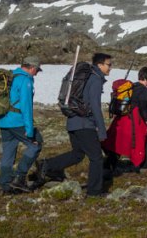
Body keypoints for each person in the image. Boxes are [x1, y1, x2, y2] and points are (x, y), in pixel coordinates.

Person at [37, 53, 109, 197]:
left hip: (72, 122)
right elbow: (95, 106)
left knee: (78, 154)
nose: (110, 68)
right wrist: (102, 130)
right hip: (85, 124)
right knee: (96, 158)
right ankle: (94, 192)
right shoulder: (95, 79)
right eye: (109, 64)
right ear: (100, 65)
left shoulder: (86, 77)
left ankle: (47, 165)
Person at [0, 56, 44, 194]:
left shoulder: (10, 76)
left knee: (8, 151)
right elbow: (26, 106)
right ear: (32, 68)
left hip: (4, 120)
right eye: (37, 71)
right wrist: (29, 130)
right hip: (17, 121)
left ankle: (5, 185)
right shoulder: (25, 80)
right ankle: (19, 178)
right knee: (36, 144)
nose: (37, 73)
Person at [103, 66, 147, 173]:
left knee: (118, 142)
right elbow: (143, 108)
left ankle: (108, 165)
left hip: (122, 120)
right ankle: (144, 165)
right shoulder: (143, 90)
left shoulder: (132, 87)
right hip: (135, 122)